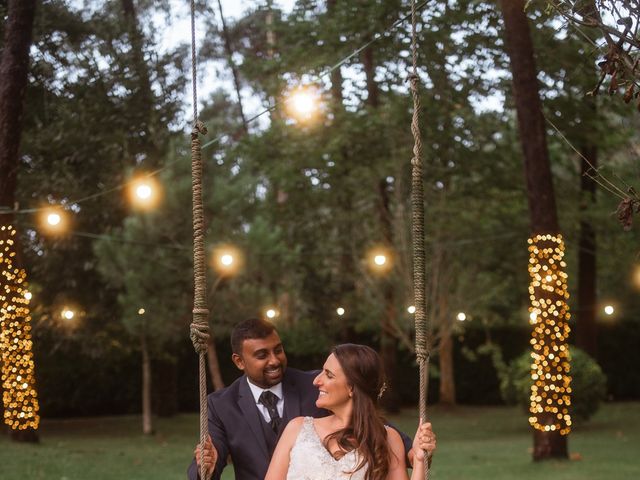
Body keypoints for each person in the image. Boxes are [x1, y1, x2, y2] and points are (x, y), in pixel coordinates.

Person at [187, 319, 417, 480]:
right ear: (239, 361)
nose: (275, 360)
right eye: (262, 355)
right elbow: (208, 467)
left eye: (278, 350)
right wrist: (205, 465)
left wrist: (415, 452)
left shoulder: (317, 387)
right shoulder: (220, 404)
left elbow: (372, 424)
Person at [264, 344, 436, 480]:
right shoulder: (297, 428)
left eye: (328, 375)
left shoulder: (388, 438)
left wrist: (420, 461)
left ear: (352, 388)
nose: (316, 381)